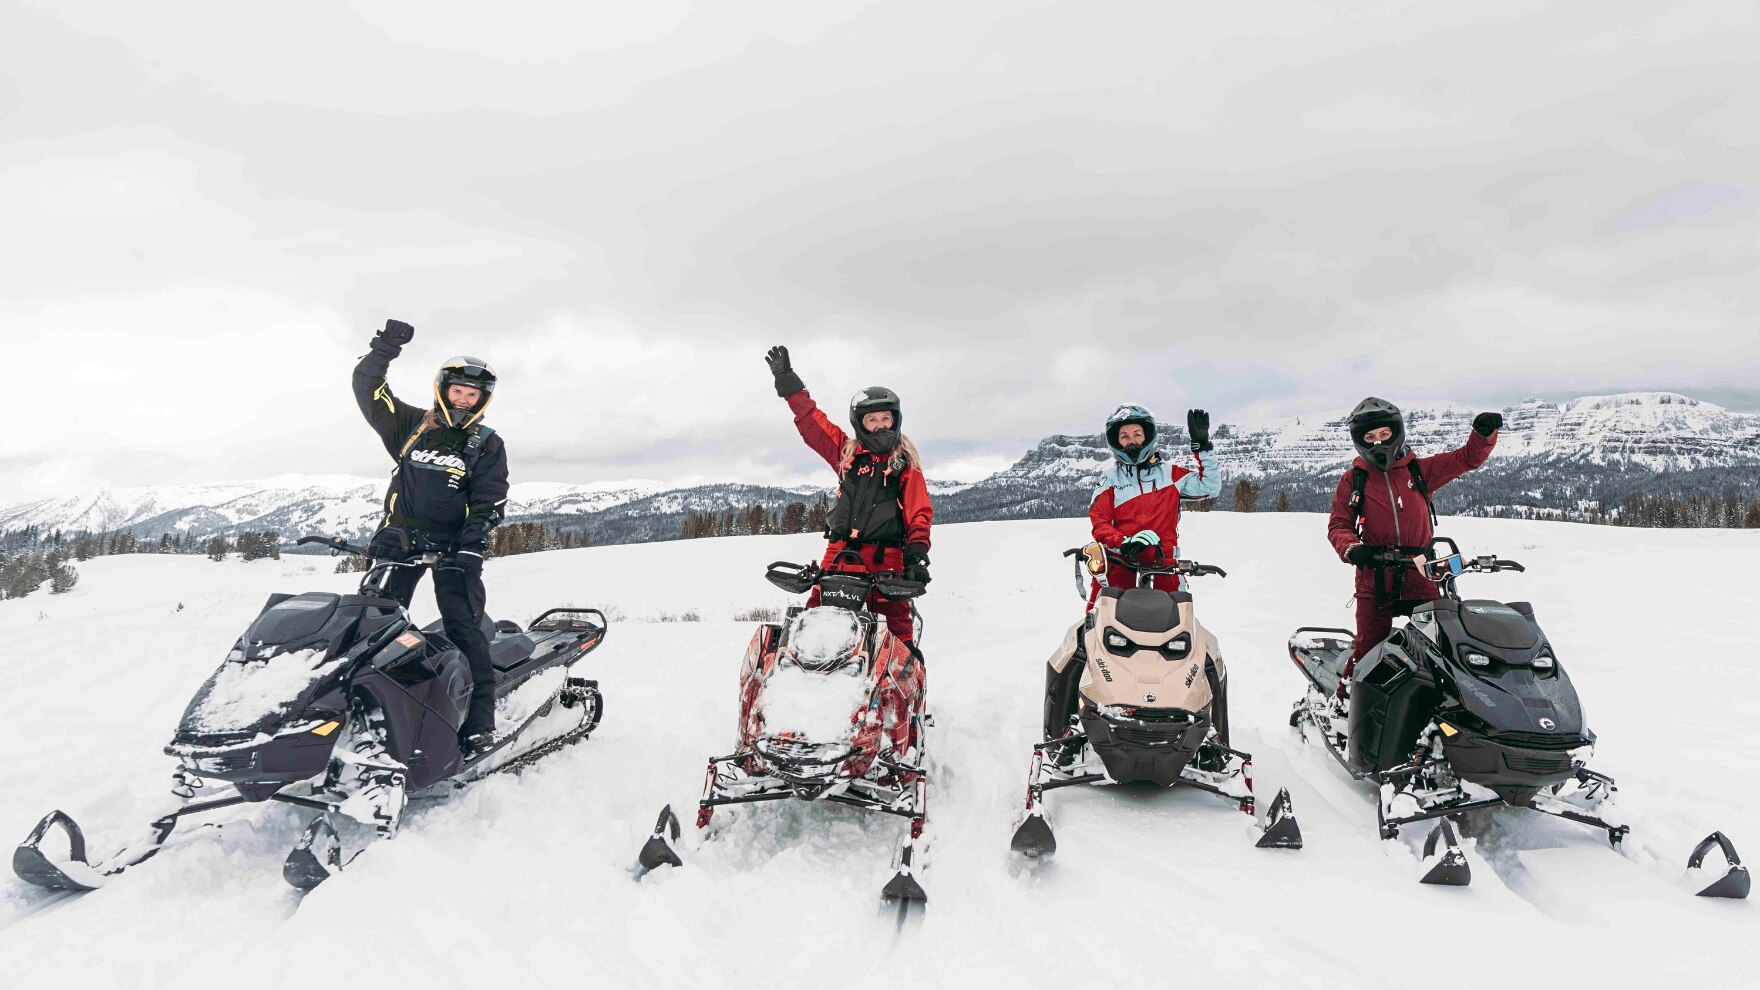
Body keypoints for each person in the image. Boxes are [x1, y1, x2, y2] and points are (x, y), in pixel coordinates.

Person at [353, 318, 509, 758]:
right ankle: (351, 704)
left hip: (454, 551)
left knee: (465, 627)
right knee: (369, 623)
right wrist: (384, 349)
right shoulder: (410, 425)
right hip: (397, 542)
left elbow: (488, 501)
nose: (463, 399)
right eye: (457, 390)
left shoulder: (486, 443)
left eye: (472, 394)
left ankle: (481, 719)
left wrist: (471, 548)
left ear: (482, 400)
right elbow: (367, 387)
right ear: (443, 389)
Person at [1327, 397, 1502, 694]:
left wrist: (1482, 436)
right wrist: (1352, 548)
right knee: (1368, 653)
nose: (1378, 443)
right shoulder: (1354, 479)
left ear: (1396, 432)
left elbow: (1467, 458)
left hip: (1421, 573)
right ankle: (1345, 705)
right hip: (1375, 578)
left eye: (1384, 434)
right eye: (1369, 438)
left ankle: (1447, 709)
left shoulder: (1419, 471)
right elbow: (1339, 525)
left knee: (1445, 644)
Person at [764, 345, 932, 645]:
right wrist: (789, 382)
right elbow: (813, 423)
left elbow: (919, 511)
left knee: (895, 624)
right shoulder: (847, 454)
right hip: (840, 553)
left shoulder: (905, 463)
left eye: (885, 419)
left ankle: (904, 676)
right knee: (815, 618)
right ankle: (800, 675)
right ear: (861, 423)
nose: (880, 425)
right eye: (872, 420)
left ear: (895, 420)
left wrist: (917, 551)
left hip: (887, 557)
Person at [1088, 404, 1221, 594]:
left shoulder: (1170, 474)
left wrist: (1204, 448)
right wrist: (1122, 542)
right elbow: (1100, 521)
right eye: (1124, 436)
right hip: (1121, 558)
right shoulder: (1110, 478)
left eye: (1137, 434)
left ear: (1147, 436)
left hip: (1164, 562)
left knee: (1179, 614)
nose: (1131, 441)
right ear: (1116, 441)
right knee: (1103, 609)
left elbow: (1210, 487)